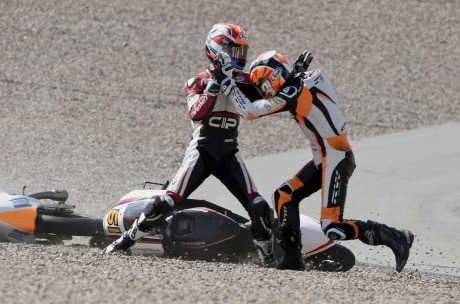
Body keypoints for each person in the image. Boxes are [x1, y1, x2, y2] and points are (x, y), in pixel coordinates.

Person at [216, 50, 414, 272]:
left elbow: (250, 111)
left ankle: (396, 237)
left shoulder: (296, 90)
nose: (264, 90)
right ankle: (292, 260)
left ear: (276, 75)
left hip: (336, 158)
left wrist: (227, 81)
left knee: (332, 227)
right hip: (325, 157)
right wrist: (292, 74)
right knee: (283, 197)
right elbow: (303, 92)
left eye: (264, 84)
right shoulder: (303, 80)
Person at [103, 23, 276, 266]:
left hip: (229, 153)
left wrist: (291, 76)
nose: (238, 57)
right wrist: (216, 82)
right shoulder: (197, 81)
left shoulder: (245, 81)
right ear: (217, 48)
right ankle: (125, 241)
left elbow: (274, 95)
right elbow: (197, 114)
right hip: (202, 151)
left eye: (241, 52)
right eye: (233, 50)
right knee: (167, 201)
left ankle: (268, 258)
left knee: (258, 207)